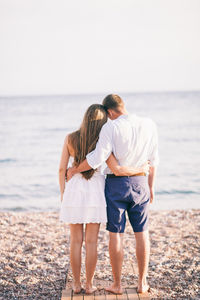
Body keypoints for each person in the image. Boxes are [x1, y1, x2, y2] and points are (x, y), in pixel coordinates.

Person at [67, 95, 159, 294]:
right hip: (141, 182)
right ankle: (142, 283)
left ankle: (117, 284)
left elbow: (96, 158)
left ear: (109, 112)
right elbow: (153, 160)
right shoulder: (149, 124)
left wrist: (75, 170)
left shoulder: (111, 127)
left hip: (116, 185)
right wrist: (151, 187)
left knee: (116, 233)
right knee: (142, 233)